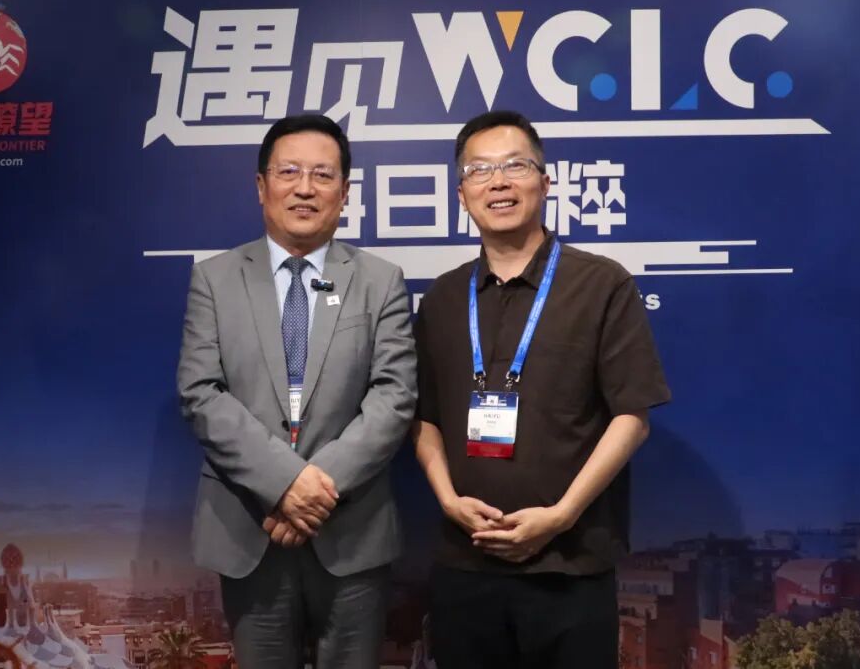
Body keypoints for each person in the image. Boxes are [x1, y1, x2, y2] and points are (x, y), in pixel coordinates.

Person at [412, 110, 671, 668]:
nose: (498, 182)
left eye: (515, 166)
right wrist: (448, 501)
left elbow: (632, 417)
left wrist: (561, 515)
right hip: (465, 564)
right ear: (461, 194)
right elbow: (424, 418)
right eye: (480, 170)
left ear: (545, 182)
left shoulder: (601, 284)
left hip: (570, 565)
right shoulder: (442, 299)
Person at [177, 114, 417, 669]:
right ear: (261, 186)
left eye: (322, 175)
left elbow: (394, 395)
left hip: (352, 530)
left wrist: (316, 489)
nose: (305, 188)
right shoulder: (214, 278)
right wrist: (284, 483)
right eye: (289, 172)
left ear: (345, 192)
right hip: (249, 526)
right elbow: (200, 393)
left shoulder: (380, 280)